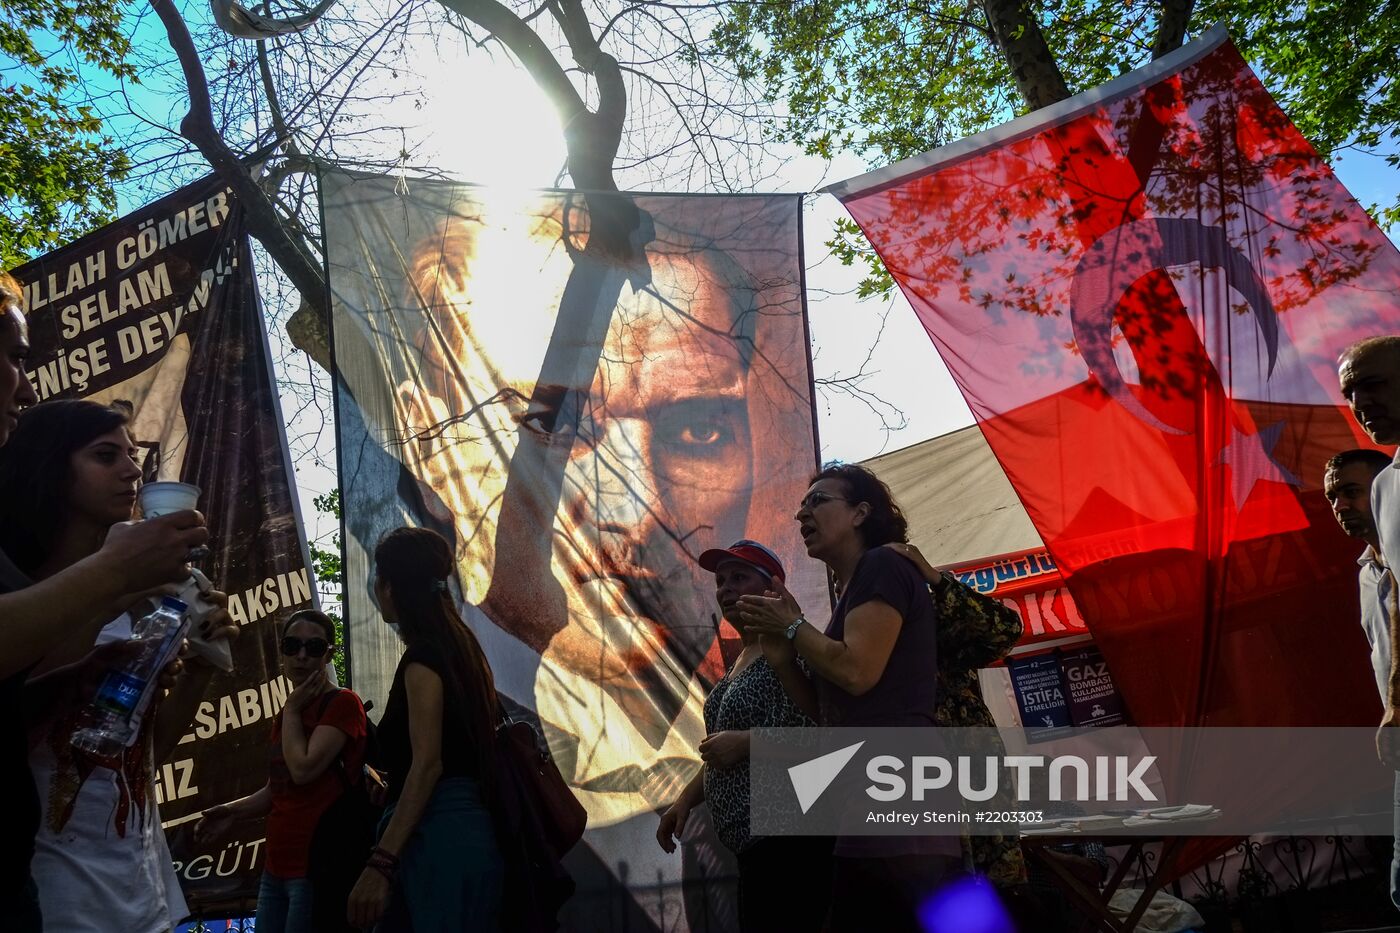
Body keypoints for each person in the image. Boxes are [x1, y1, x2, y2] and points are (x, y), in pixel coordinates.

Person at [0, 274, 205, 931]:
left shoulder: (131, 592)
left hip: (141, 896)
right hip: (65, 901)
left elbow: (136, 754)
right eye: (104, 454)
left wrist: (175, 659)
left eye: (133, 456)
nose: (131, 470)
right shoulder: (49, 590)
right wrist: (112, 577)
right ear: (49, 467)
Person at [737, 463, 961, 932]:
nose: (802, 514)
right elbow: (827, 713)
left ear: (861, 513)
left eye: (818, 501)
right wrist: (782, 653)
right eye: (801, 506)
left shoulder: (882, 565)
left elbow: (858, 673)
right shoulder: (849, 594)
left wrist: (795, 627)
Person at [654, 539, 829, 930]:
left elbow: (822, 740)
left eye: (739, 577)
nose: (725, 588)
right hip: (756, 849)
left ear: (774, 589)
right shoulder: (742, 659)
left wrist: (747, 743)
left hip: (793, 840)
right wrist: (684, 800)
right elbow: (725, 750)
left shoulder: (796, 647)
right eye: (720, 581)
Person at [347, 526, 505, 931]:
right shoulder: (463, 650)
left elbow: (429, 765)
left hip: (436, 841)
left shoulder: (423, 659)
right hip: (466, 834)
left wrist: (380, 863)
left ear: (388, 587)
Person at [195, 609, 369, 933]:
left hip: (316, 867)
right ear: (283, 650)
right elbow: (279, 787)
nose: (302, 656)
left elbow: (303, 769)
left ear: (329, 653)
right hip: (276, 867)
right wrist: (232, 813)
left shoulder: (342, 703)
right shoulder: (290, 713)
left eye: (314, 648)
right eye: (293, 646)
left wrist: (291, 710)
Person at [1338, 336, 1400, 912]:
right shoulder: (1363, 575)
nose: (1360, 404)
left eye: (1372, 385)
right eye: (1350, 394)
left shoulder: (1394, 485)